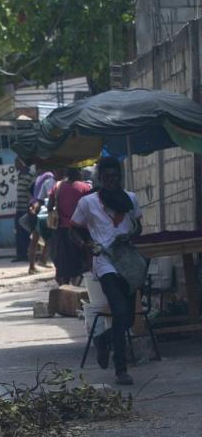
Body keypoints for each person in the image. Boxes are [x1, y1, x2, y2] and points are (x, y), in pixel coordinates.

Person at [70, 157, 142, 386]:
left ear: (119, 177)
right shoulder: (88, 203)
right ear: (100, 179)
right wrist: (85, 245)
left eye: (115, 177)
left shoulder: (130, 199)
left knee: (128, 318)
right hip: (105, 262)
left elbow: (139, 226)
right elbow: (73, 230)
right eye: (107, 177)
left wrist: (130, 235)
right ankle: (121, 369)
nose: (111, 181)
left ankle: (104, 339)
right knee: (119, 311)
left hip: (127, 262)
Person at [48, 168, 91, 285]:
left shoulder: (58, 186)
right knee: (81, 261)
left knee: (64, 261)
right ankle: (79, 285)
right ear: (78, 173)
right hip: (81, 229)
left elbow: (49, 206)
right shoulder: (85, 188)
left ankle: (65, 289)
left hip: (63, 229)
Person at [28, 168, 55, 274]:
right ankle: (41, 260)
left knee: (34, 240)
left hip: (34, 208)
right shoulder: (49, 177)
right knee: (49, 237)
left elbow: (31, 193)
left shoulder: (38, 178)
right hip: (43, 211)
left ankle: (33, 265)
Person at [14, 158, 35, 262]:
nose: (15, 165)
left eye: (17, 163)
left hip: (26, 208)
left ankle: (26, 254)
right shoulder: (20, 175)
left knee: (25, 233)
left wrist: (29, 207)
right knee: (18, 232)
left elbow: (30, 193)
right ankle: (20, 254)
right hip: (19, 207)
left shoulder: (29, 176)